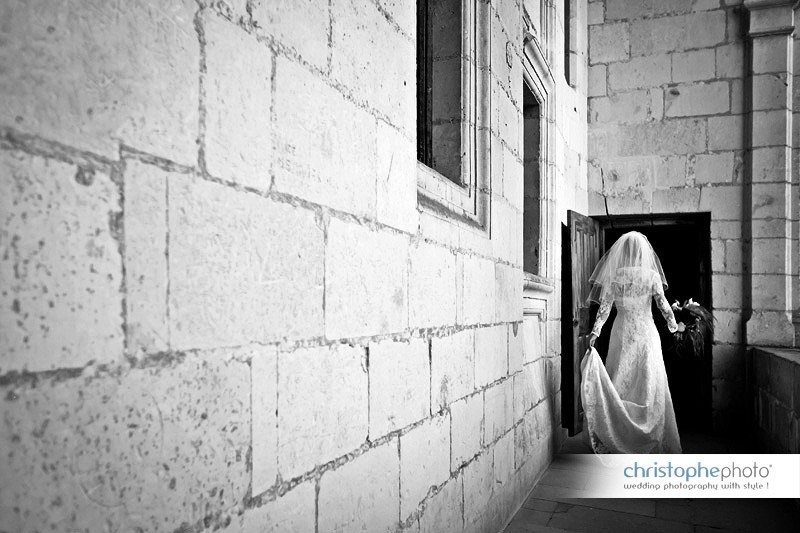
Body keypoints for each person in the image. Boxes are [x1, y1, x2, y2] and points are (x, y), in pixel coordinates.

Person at [580, 231, 685, 454]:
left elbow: (604, 309)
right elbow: (664, 307)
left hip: (622, 333)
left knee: (620, 378)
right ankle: (649, 435)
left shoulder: (616, 276)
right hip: (647, 334)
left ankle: (618, 435)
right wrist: (674, 326)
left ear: (623, 252)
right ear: (643, 253)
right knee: (649, 381)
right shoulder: (651, 277)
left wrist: (595, 333)